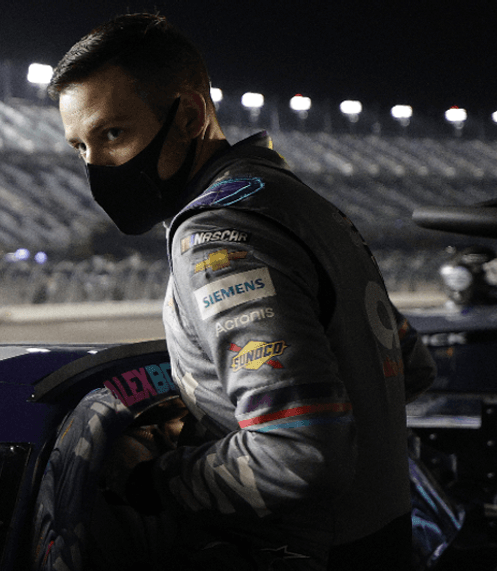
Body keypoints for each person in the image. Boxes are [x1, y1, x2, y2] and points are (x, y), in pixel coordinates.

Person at [49, 13, 435, 570]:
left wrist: (151, 480)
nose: (96, 166)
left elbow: (299, 455)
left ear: (190, 114)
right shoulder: (302, 205)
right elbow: (412, 366)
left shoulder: (215, 237)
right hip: (388, 540)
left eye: (113, 134)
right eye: (80, 147)